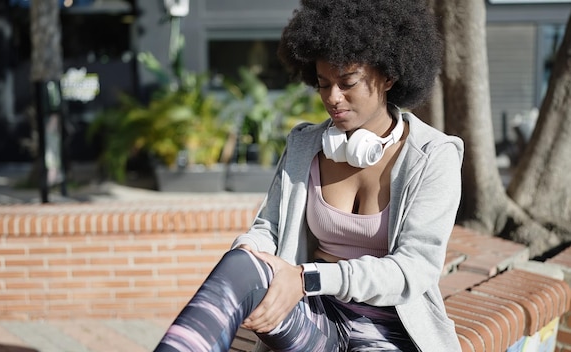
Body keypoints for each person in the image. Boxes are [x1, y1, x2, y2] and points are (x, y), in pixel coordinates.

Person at [153, 0, 463, 350]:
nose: (333, 98)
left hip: (390, 329)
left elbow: (414, 270)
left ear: (389, 75)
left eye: (348, 82)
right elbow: (268, 228)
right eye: (323, 83)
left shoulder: (433, 156)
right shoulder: (306, 145)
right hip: (315, 317)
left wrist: (306, 279)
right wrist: (251, 258)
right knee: (241, 264)